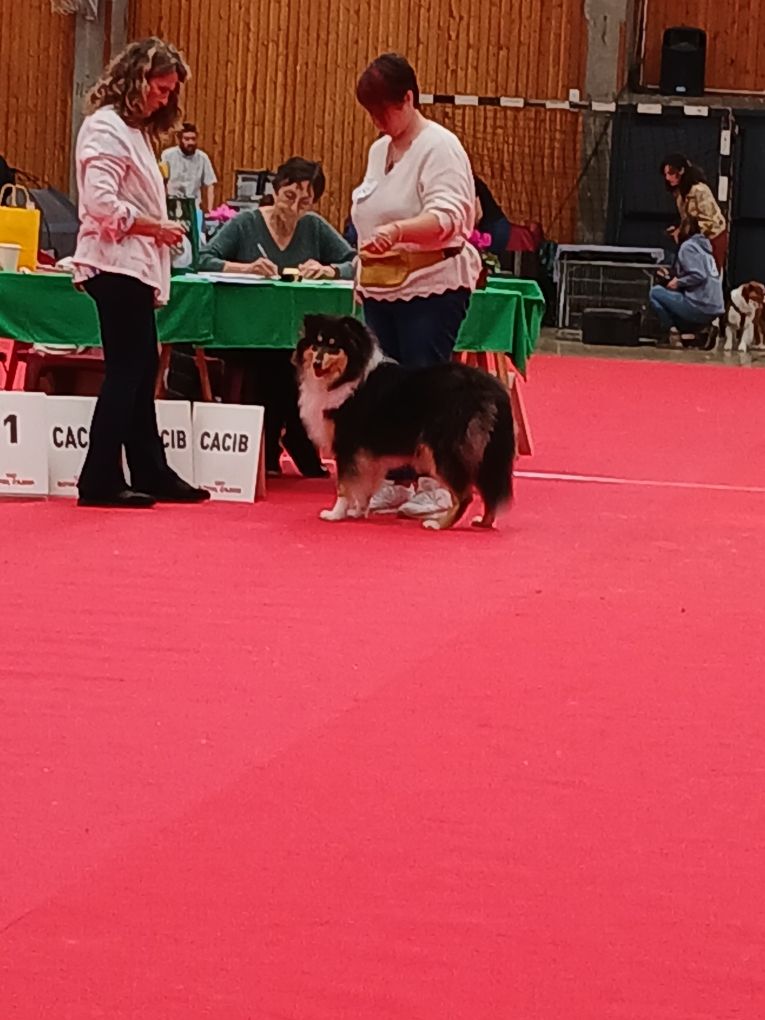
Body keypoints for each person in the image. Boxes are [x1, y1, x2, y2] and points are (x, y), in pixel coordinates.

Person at [71, 38, 209, 509]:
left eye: (170, 92)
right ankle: (99, 477)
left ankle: (149, 469)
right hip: (114, 263)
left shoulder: (134, 132)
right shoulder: (105, 129)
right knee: (127, 370)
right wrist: (156, 227)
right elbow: (100, 203)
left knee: (142, 366)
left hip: (131, 264)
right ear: (135, 80)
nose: (164, 99)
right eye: (160, 88)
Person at [351, 52, 482, 517]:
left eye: (384, 110)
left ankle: (438, 480)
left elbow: (451, 216)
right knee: (385, 388)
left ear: (409, 98)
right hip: (383, 286)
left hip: (433, 284)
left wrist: (400, 231)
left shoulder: (440, 147)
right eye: (371, 113)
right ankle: (399, 477)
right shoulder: (378, 151)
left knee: (426, 382)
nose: (378, 121)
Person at [198, 157, 356, 476]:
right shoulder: (245, 223)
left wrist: (329, 269)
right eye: (289, 197)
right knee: (274, 364)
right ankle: (288, 443)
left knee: (293, 359)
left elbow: (354, 260)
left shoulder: (314, 227)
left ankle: (276, 447)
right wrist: (245, 268)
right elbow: (204, 259)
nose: (294, 207)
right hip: (246, 331)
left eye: (304, 202)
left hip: (293, 334)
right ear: (276, 189)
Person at [649, 217, 725, 346]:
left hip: (700, 304)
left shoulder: (688, 247)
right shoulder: (704, 248)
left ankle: (673, 335)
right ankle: (697, 334)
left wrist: (677, 282)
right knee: (674, 301)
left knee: (655, 293)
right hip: (715, 307)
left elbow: (698, 275)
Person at [661, 154, 728, 272]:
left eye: (671, 173)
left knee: (709, 273)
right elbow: (686, 218)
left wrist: (686, 233)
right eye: (665, 174)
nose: (667, 178)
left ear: (681, 171)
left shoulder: (700, 190)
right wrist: (679, 230)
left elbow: (709, 222)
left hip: (713, 238)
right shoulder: (680, 194)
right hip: (697, 240)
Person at [160, 122, 217, 212]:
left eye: (193, 139)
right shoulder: (167, 155)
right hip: (172, 204)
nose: (190, 142)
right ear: (179, 139)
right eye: (186, 139)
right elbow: (161, 181)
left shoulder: (203, 157)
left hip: (193, 206)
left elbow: (210, 184)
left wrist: (210, 210)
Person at [474, 174, 511, 256]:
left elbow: (479, 214)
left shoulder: (471, 183)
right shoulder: (475, 181)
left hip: (492, 228)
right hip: (501, 224)